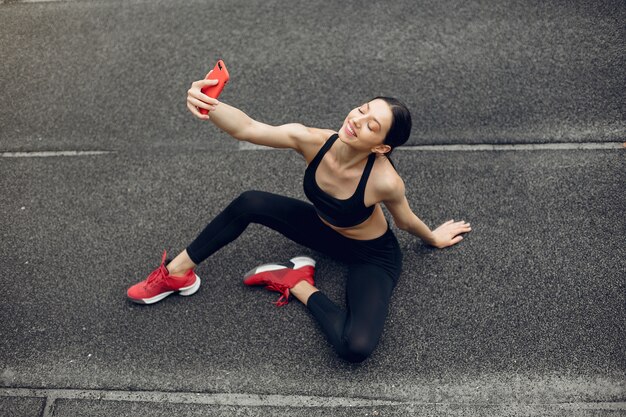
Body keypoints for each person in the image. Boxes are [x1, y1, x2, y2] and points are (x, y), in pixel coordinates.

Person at [127, 74, 472, 363]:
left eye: (372, 125)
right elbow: (248, 128)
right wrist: (209, 104)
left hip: (372, 256)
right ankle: (177, 273)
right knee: (250, 202)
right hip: (324, 232)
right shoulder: (313, 141)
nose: (356, 120)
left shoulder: (385, 181)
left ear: (381, 147)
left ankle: (298, 282)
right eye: (362, 109)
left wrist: (433, 238)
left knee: (356, 347)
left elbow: (405, 222)